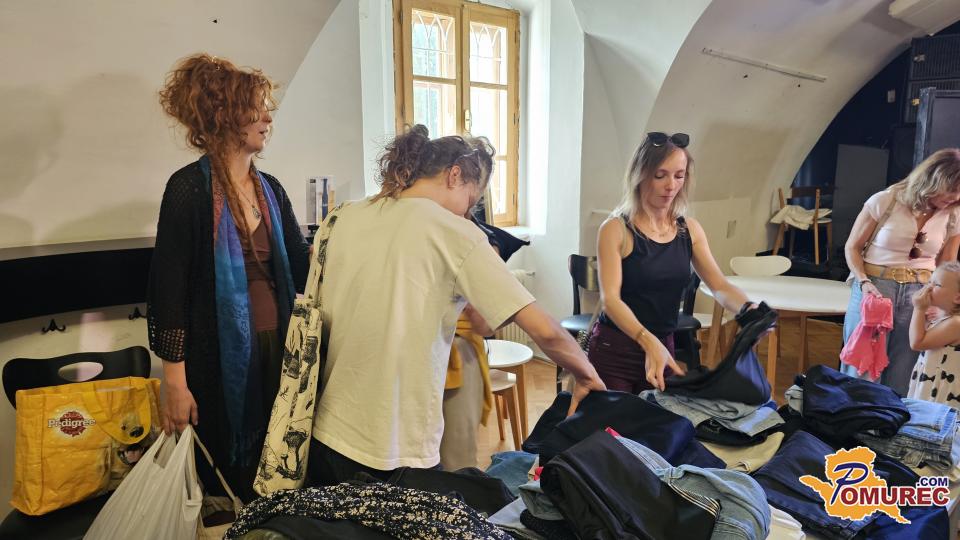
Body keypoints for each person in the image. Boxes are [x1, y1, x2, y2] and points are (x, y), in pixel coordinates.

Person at [307, 124, 605, 485]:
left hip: (326, 426)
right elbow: (546, 332)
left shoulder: (342, 216)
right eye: (471, 200)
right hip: (393, 443)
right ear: (454, 175)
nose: (468, 213)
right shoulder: (453, 231)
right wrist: (587, 374)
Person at [147, 53, 310, 501]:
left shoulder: (271, 189)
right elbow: (170, 294)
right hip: (215, 360)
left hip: (280, 350)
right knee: (230, 475)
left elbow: (301, 266)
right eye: (256, 109)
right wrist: (174, 383)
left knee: (280, 467)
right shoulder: (188, 189)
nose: (268, 119)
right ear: (224, 115)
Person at [592, 132, 759, 393]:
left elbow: (719, 286)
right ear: (640, 175)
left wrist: (749, 311)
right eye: (661, 175)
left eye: (679, 176)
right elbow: (610, 300)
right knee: (614, 420)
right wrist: (647, 341)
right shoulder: (615, 229)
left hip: (662, 348)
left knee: (657, 419)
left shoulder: (689, 230)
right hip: (616, 350)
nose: (671, 185)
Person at [842, 148, 960, 395]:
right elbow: (852, 247)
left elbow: (947, 265)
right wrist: (863, 282)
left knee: (904, 371)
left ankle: (892, 418)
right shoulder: (885, 200)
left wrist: (940, 302)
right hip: (875, 287)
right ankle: (853, 417)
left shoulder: (954, 213)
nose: (955, 197)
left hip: (921, 292)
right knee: (862, 368)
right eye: (951, 189)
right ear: (932, 179)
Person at [908, 262, 960, 405]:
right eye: (929, 281)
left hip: (941, 394)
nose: (928, 287)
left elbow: (917, 343)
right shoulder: (944, 316)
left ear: (957, 298)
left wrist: (919, 309)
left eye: (936, 284)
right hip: (931, 384)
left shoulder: (955, 323)